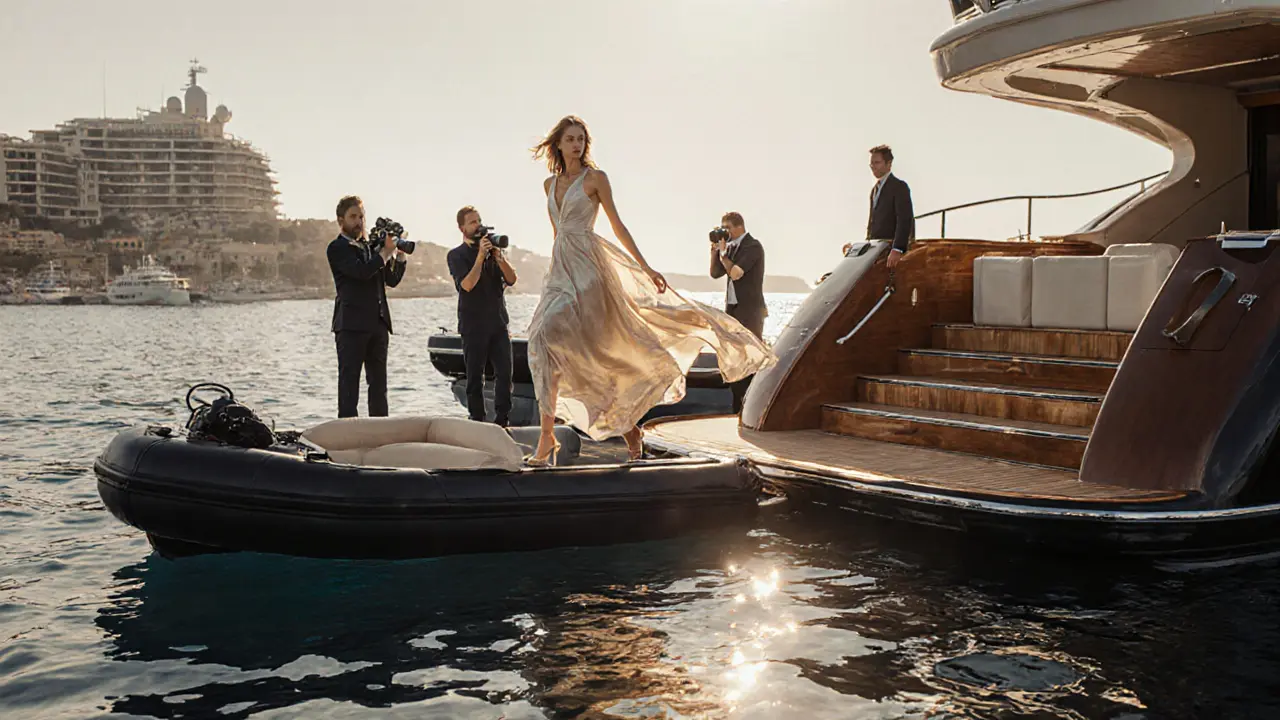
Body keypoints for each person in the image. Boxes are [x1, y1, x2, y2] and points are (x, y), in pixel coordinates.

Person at [523, 115, 777, 465]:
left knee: (581, 348)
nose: (576, 144)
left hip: (589, 273)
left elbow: (617, 225)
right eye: (570, 139)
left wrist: (645, 268)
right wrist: (554, 271)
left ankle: (561, 436)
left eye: (581, 138)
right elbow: (557, 234)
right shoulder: (548, 185)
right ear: (559, 143)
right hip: (560, 272)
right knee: (544, 342)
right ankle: (570, 435)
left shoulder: (595, 179)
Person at [326, 195, 407, 418]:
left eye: (361, 216)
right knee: (349, 386)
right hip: (351, 326)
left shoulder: (371, 248)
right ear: (340, 220)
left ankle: (380, 435)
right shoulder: (337, 248)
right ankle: (347, 436)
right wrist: (384, 253)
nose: (359, 221)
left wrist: (398, 256)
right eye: (353, 217)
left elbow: (391, 280)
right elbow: (361, 272)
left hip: (378, 324)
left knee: (379, 387)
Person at [446, 205, 518, 427]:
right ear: (462, 228)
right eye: (472, 222)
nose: (478, 225)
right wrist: (479, 258)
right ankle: (477, 420)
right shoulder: (456, 255)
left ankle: (502, 421)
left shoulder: (492, 252)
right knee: (475, 377)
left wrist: (498, 257)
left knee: (505, 374)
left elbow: (512, 279)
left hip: (498, 322)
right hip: (473, 324)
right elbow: (466, 285)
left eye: (479, 220)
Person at [709, 211, 767, 414]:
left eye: (727, 228)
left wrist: (724, 255)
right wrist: (715, 252)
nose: (725, 233)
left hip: (750, 311)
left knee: (750, 357)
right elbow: (715, 273)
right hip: (733, 310)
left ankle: (751, 406)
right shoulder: (730, 248)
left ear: (738, 227)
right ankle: (737, 407)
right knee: (735, 357)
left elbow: (736, 273)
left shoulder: (752, 246)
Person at [843, 145, 915, 268]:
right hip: (877, 249)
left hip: (890, 251)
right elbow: (873, 222)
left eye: (877, 162)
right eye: (871, 163)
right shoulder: (874, 190)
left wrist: (897, 249)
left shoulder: (899, 187)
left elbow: (904, 219)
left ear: (889, 163)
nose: (873, 166)